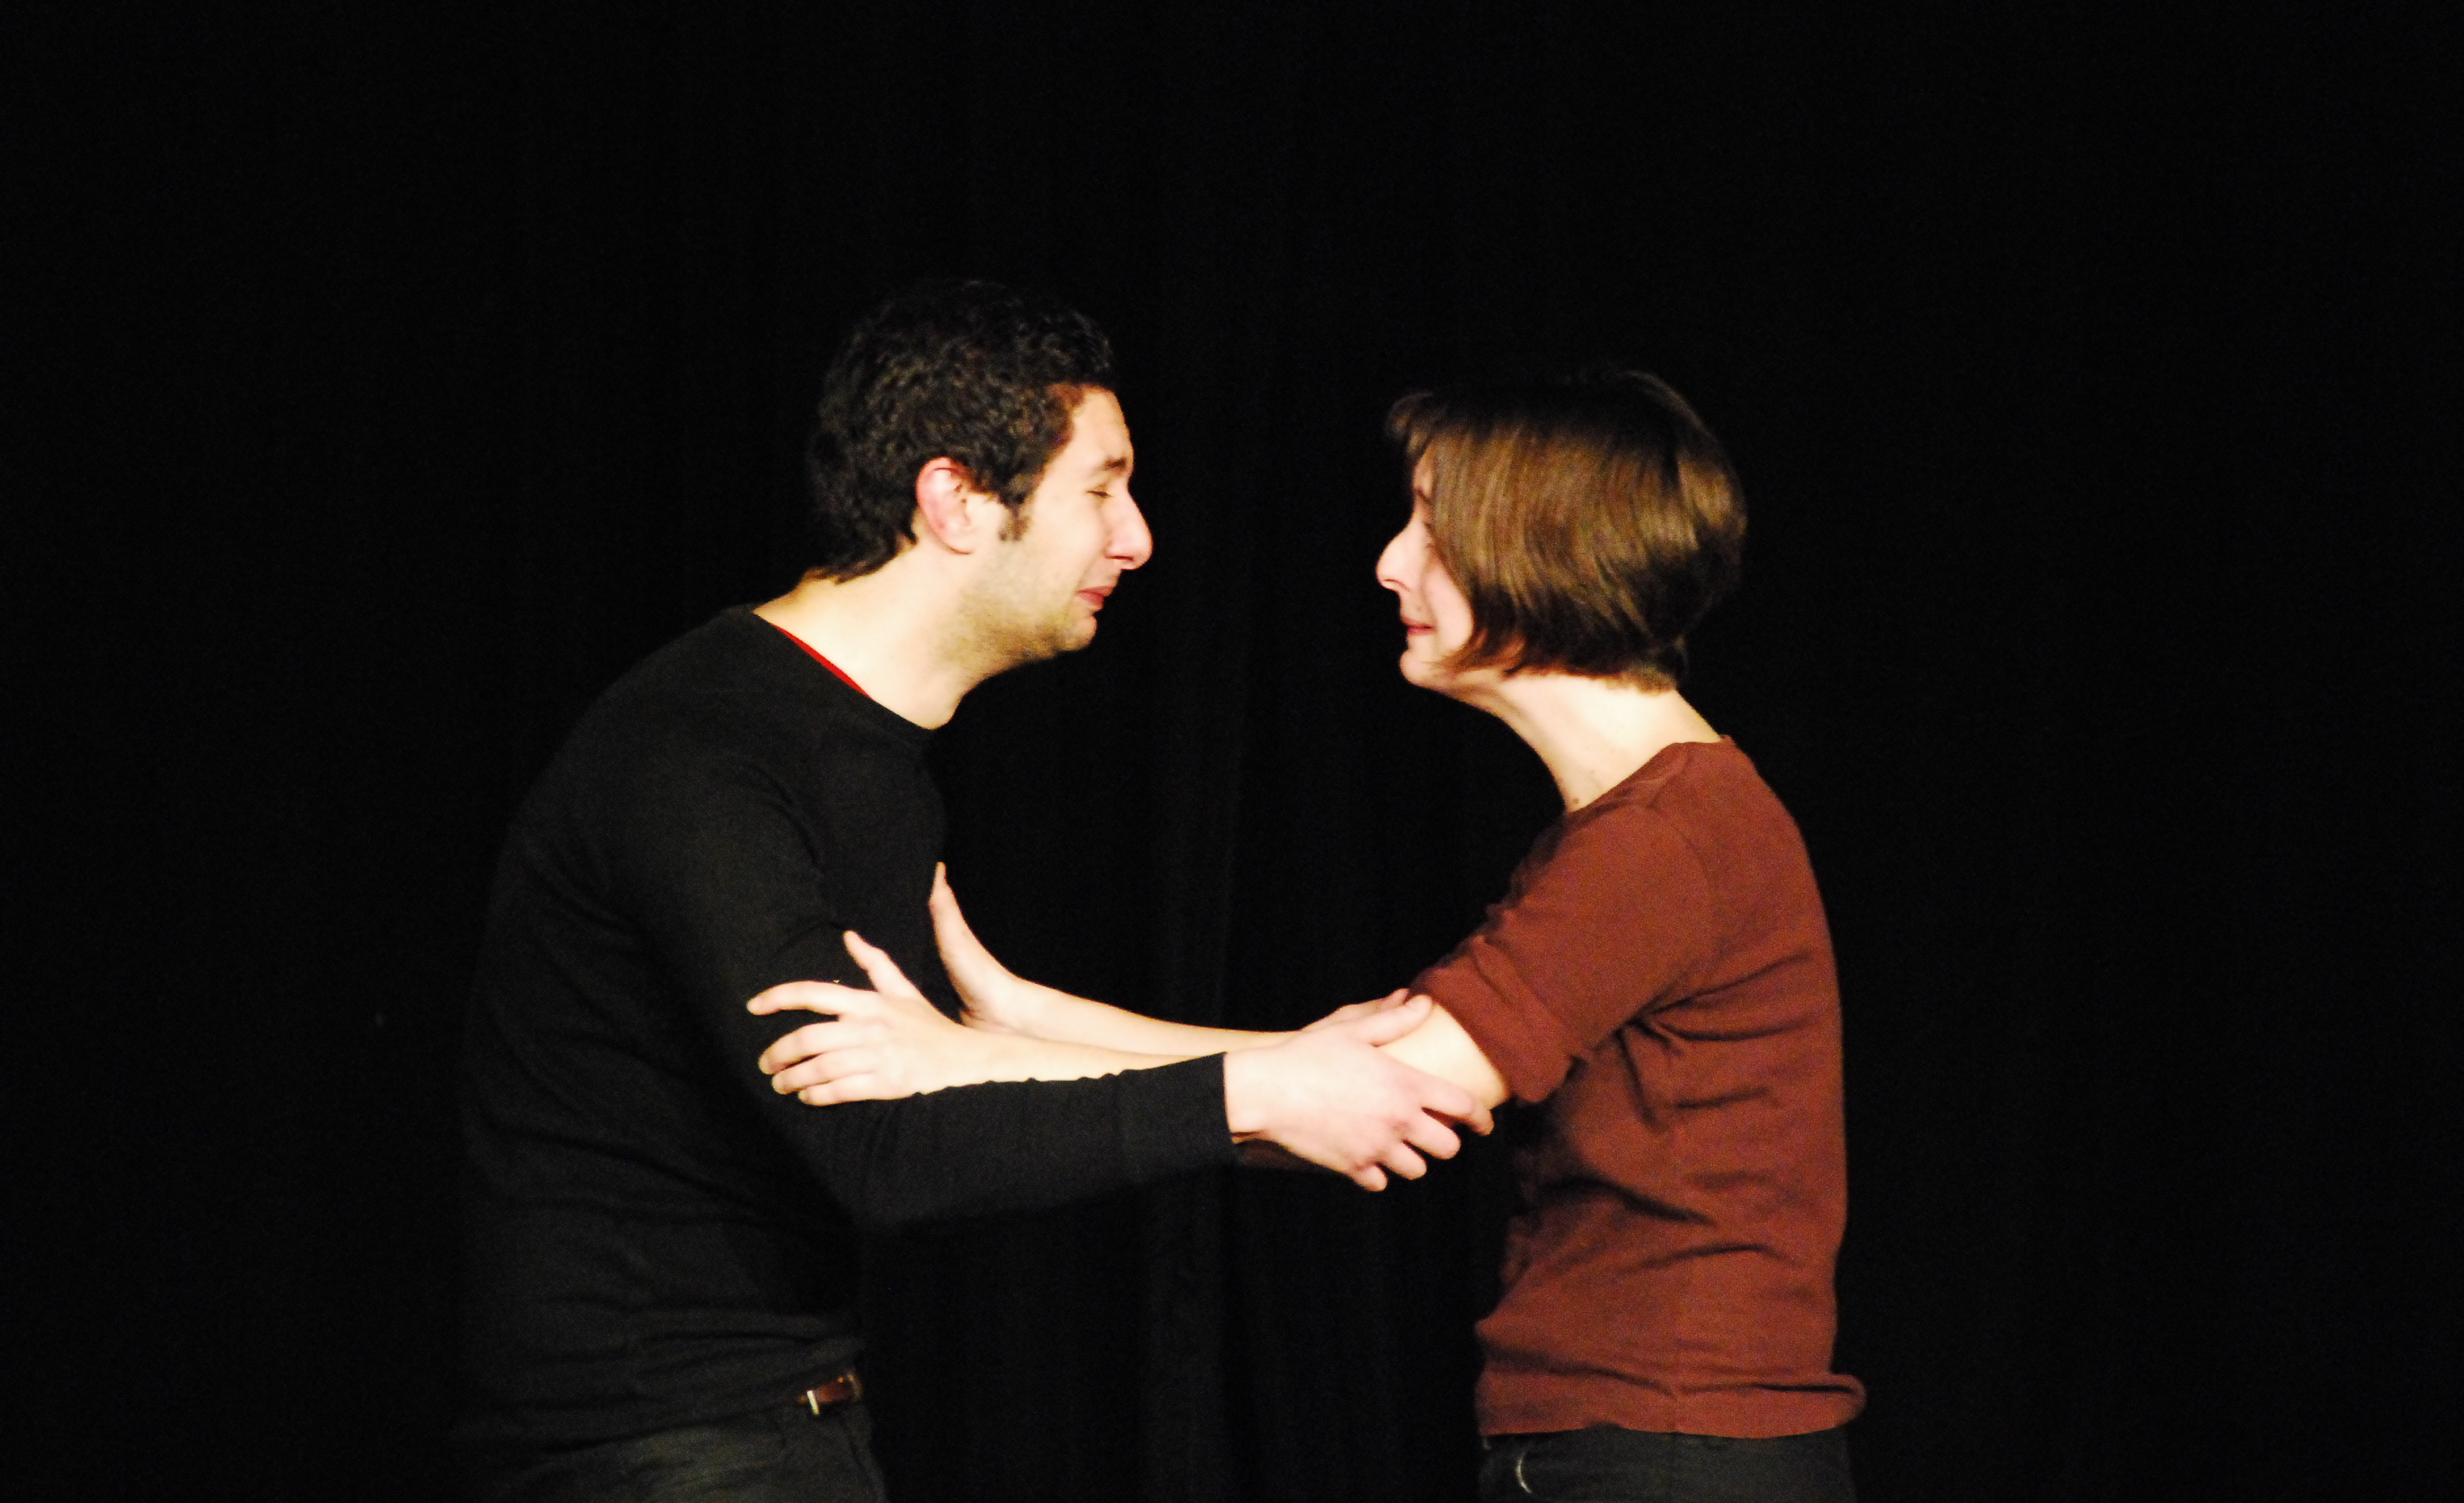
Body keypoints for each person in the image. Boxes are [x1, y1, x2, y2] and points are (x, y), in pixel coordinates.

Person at [755, 368, 1865, 1500]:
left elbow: (1385, 1097)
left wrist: (965, 1063)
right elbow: (1327, 1084)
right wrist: (1028, 1017)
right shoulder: (1636, 831)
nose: (1390, 563)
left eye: (1429, 523)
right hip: (1639, 1446)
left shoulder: (1662, 844)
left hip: (1673, 1453)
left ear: (1541, 546)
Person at [455, 280, 1481, 1503]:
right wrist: (1256, 1090)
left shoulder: (870, 761)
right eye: (1101, 489)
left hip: (774, 1432)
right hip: (659, 1450)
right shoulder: (704, 754)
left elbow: (961, 1058)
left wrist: (1287, 1065)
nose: (1136, 539)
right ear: (954, 501)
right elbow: (875, 1140)